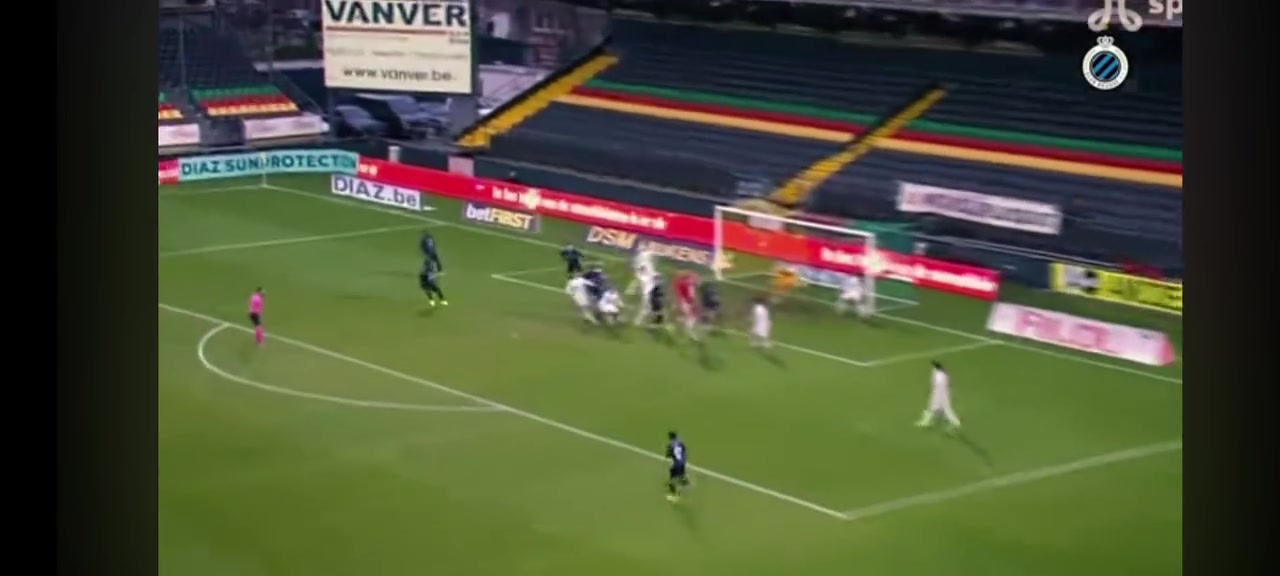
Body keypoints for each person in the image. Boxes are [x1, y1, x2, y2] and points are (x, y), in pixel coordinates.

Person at [916, 361, 961, 430]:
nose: (932, 368)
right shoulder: (944, 373)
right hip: (944, 394)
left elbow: (935, 385)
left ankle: (925, 422)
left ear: (935, 367)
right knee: (944, 410)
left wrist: (931, 391)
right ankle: (956, 422)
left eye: (933, 367)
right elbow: (948, 384)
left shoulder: (937, 375)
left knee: (933, 409)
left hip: (938, 394)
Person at [665, 431, 690, 502]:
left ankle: (675, 496)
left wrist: (668, 452)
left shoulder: (671, 445)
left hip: (677, 464)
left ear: (670, 437)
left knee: (672, 481)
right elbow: (684, 450)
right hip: (683, 462)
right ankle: (685, 481)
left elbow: (668, 455)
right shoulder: (680, 442)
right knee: (680, 473)